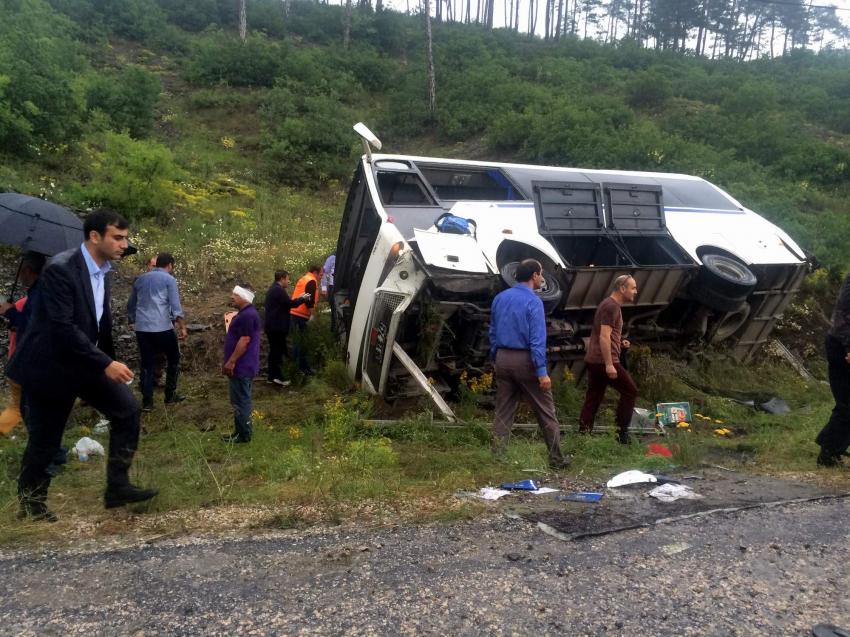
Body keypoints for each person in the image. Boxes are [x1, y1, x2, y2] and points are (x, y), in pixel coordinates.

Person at [7, 208, 158, 521]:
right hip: (49, 366)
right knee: (45, 441)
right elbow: (61, 328)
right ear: (94, 236)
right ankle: (32, 505)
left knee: (127, 410)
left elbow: (98, 326)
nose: (124, 244)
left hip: (83, 362)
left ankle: (117, 487)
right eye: (118, 237)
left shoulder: (103, 271)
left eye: (125, 238)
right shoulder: (60, 269)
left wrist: (111, 360)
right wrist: (105, 363)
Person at [489, 259, 570, 469]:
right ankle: (557, 459)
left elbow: (492, 332)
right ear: (534, 275)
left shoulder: (500, 298)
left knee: (503, 411)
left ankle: (497, 458)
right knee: (546, 411)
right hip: (525, 361)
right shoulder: (534, 302)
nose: (542, 278)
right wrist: (542, 372)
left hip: (503, 359)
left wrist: (495, 358)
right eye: (541, 273)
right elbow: (537, 340)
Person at [578, 274, 639, 445]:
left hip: (594, 359)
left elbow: (604, 334)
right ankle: (621, 435)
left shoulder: (609, 305)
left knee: (594, 396)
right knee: (630, 391)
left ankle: (583, 434)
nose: (636, 291)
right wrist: (610, 364)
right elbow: (604, 337)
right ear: (622, 288)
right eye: (633, 288)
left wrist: (620, 342)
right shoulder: (611, 307)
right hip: (603, 361)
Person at [127, 252, 188, 411]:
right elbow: (175, 307)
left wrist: (132, 321)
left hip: (142, 329)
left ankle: (147, 402)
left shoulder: (140, 280)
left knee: (147, 364)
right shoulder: (169, 279)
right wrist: (182, 326)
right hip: (162, 328)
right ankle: (170, 396)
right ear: (169, 265)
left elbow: (131, 304)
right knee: (173, 359)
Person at [0, 252, 46, 434]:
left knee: (23, 409)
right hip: (30, 359)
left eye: (21, 272)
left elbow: (28, 326)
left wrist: (10, 312)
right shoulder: (41, 291)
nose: (19, 277)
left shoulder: (37, 295)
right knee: (29, 409)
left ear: (28, 270)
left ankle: (50, 451)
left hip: (27, 359)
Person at [815, 272, 850, 467]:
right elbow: (844, 314)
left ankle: (831, 447)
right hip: (841, 347)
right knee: (847, 404)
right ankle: (828, 453)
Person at [222, 285, 261, 443]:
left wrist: (231, 361)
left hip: (241, 365)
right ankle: (239, 432)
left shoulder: (247, 315)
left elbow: (244, 340)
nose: (232, 297)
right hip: (242, 365)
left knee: (241, 401)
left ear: (245, 297)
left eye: (236, 294)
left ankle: (244, 435)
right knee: (238, 400)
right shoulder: (246, 314)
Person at [264, 270, 308, 387]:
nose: (288, 282)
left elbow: (285, 303)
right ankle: (278, 378)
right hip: (277, 327)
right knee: (277, 351)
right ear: (282, 279)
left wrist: (299, 298)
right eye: (287, 279)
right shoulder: (278, 290)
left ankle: (271, 377)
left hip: (272, 326)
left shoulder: (273, 289)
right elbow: (290, 304)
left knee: (274, 351)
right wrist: (303, 298)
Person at [290, 264, 323, 375]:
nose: (322, 276)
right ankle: (299, 369)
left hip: (295, 313)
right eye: (321, 273)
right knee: (300, 343)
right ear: (315, 272)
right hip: (300, 315)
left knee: (300, 342)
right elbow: (309, 300)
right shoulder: (311, 281)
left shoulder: (305, 278)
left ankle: (302, 368)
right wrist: (312, 315)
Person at [321, 254, 336, 333]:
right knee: (334, 309)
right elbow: (324, 273)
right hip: (333, 286)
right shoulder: (332, 258)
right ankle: (333, 331)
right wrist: (324, 288)